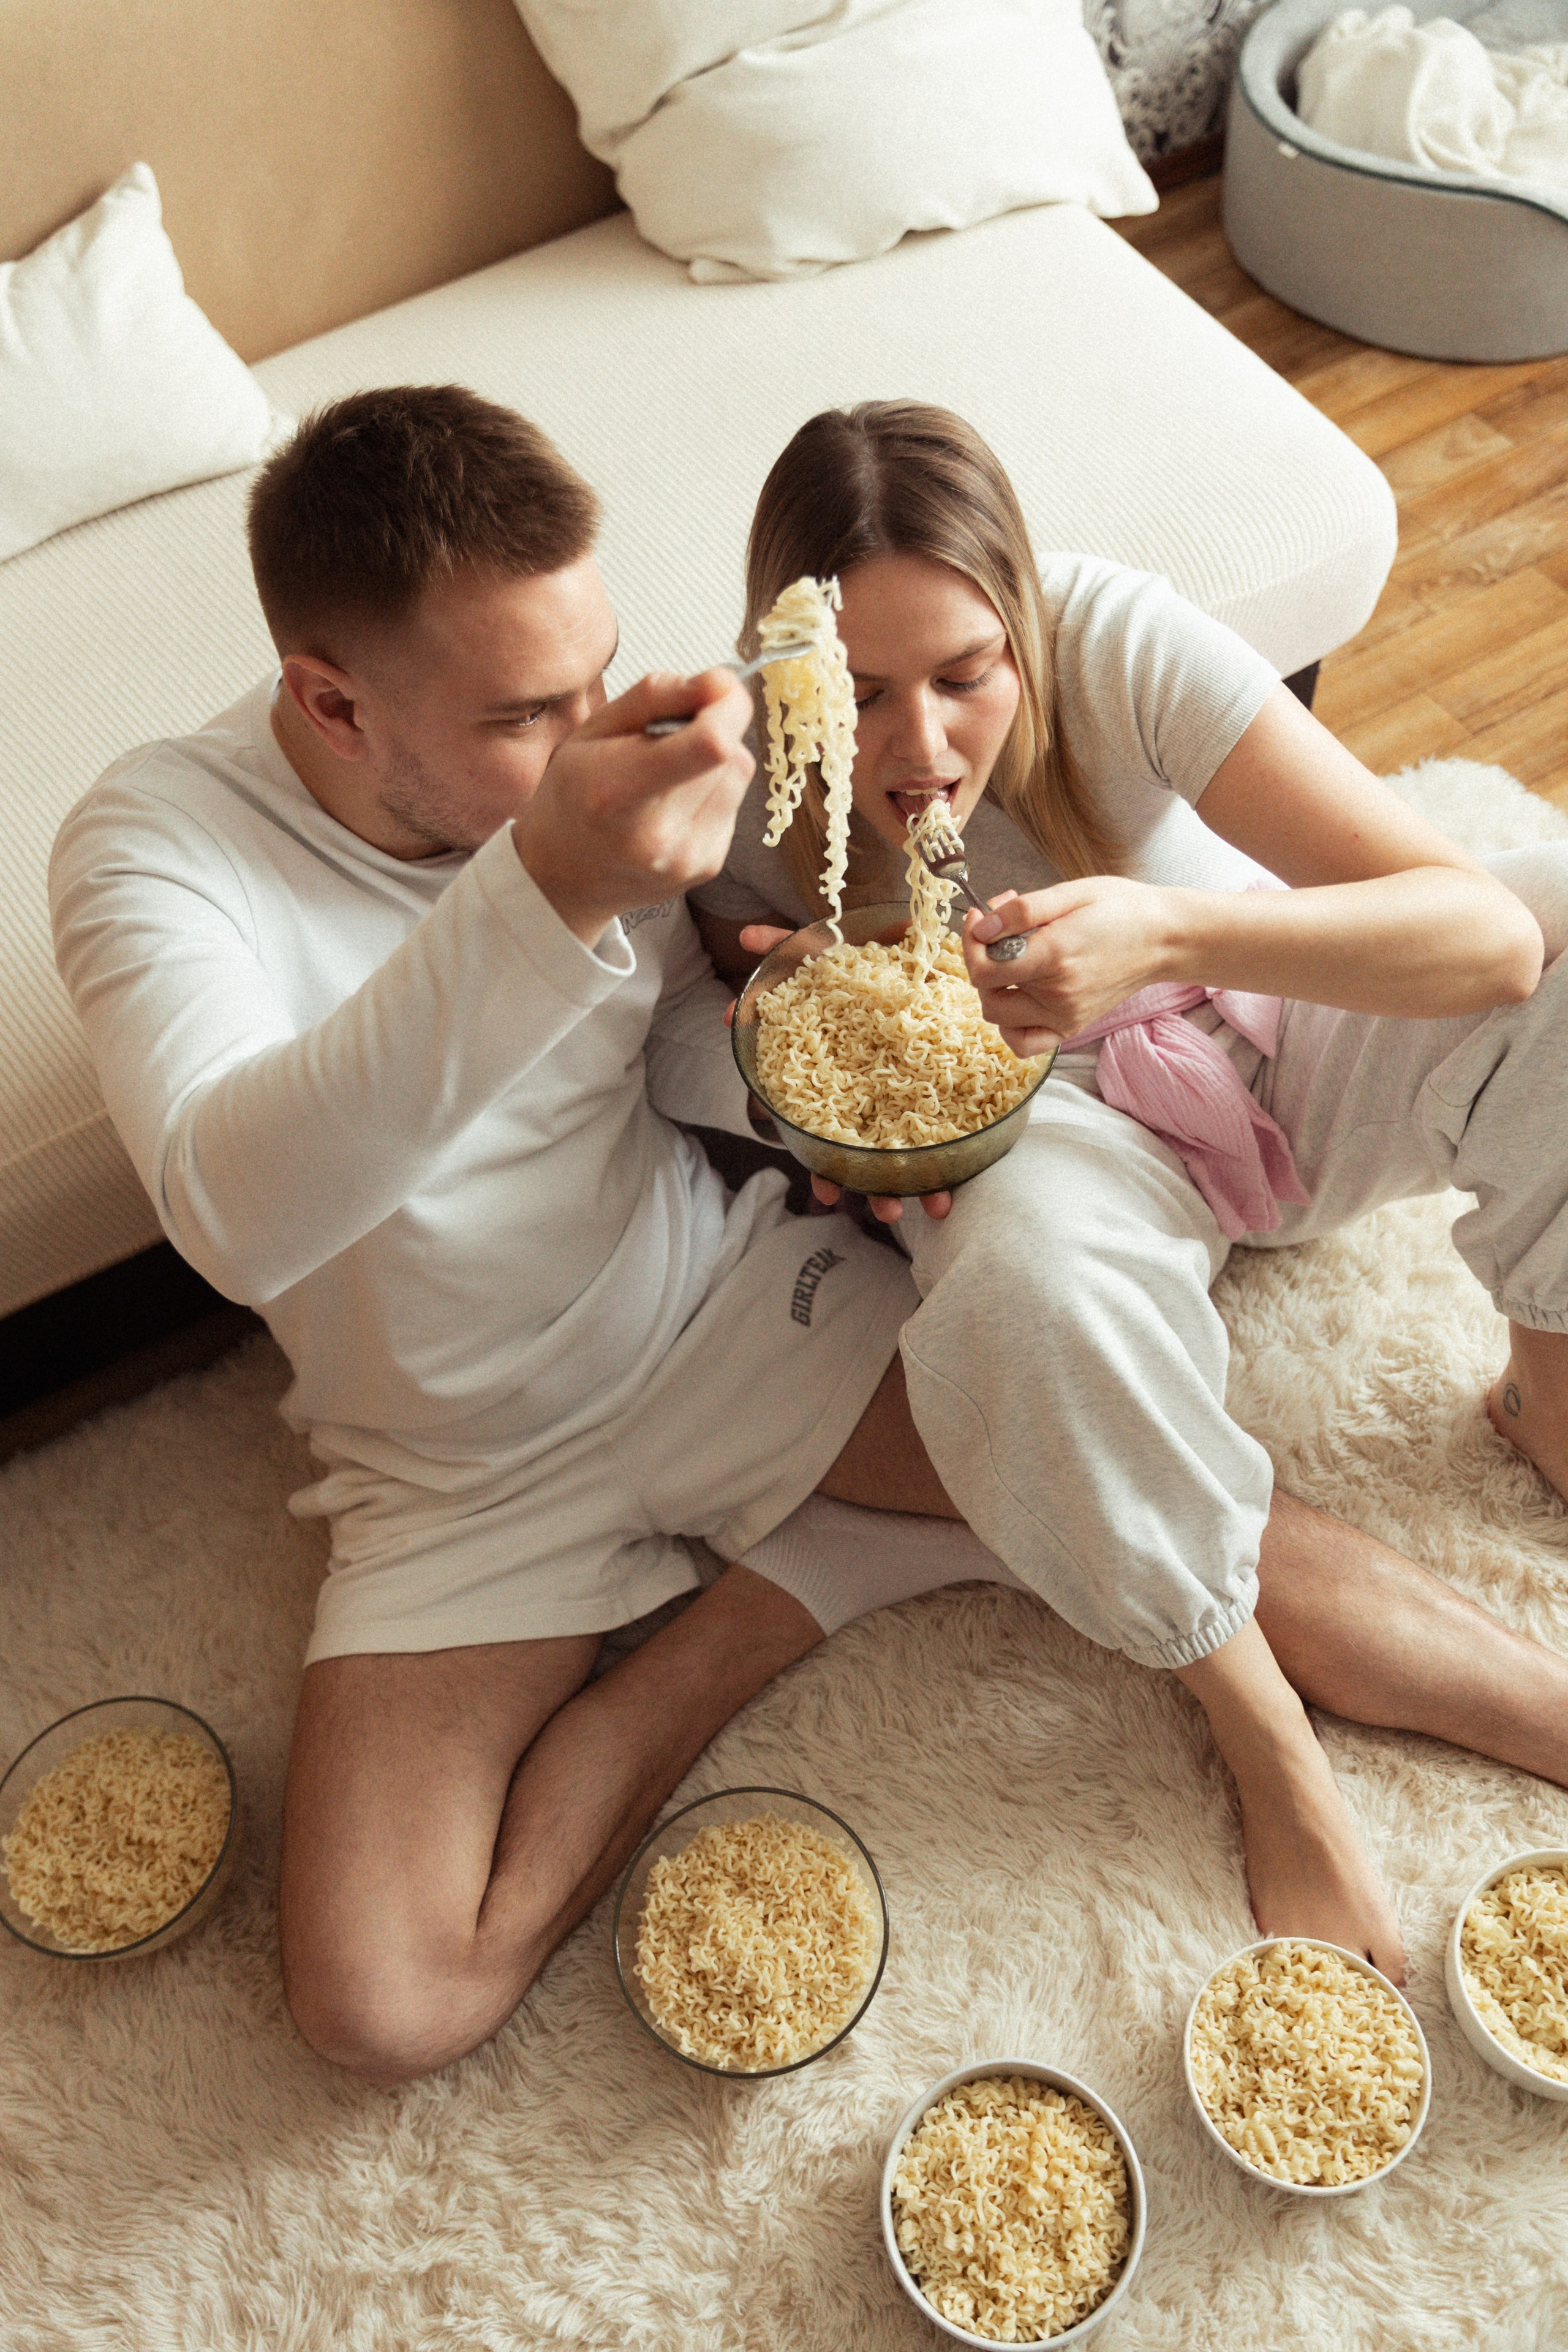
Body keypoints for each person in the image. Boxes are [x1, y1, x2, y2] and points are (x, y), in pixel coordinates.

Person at [693, 399, 1568, 1989]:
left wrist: (1173, 934)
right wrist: (793, 1022)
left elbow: (1487, 939)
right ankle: (1263, 1732)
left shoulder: (1112, 639)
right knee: (1008, 1307)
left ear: (1024, 621)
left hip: (1269, 1030)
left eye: (966, 676)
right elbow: (720, 1082)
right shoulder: (737, 792)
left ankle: (1554, 1389)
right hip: (1064, 1140)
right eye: (861, 697)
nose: (923, 748)